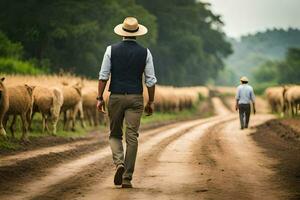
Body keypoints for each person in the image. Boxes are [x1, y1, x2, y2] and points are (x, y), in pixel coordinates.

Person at [96, 17, 157, 188]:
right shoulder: (146, 52)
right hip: (135, 98)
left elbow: (103, 76)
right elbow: (150, 81)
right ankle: (127, 178)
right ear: (137, 33)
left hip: (115, 96)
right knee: (132, 137)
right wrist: (151, 101)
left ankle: (119, 164)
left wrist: (99, 98)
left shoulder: (110, 50)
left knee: (115, 134)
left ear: (122, 32)